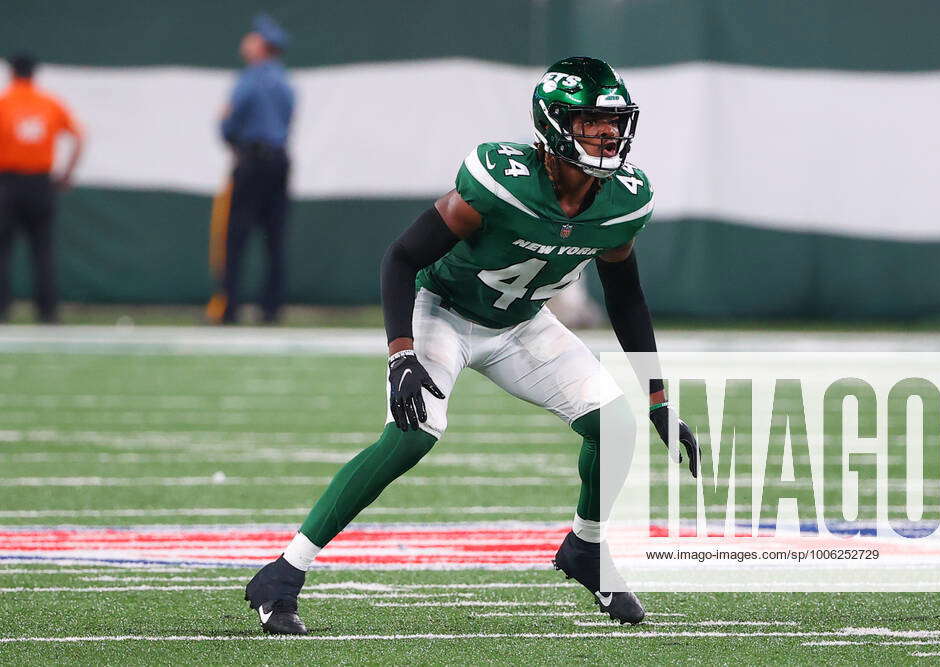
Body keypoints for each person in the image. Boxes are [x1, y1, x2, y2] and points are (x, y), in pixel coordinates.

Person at [243, 57, 700, 635]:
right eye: (591, 122)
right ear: (555, 125)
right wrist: (402, 352)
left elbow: (627, 299)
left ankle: (586, 548)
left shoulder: (622, 201)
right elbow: (401, 258)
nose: (608, 134)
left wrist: (658, 397)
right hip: (444, 312)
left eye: (613, 122)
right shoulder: (500, 180)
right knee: (411, 435)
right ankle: (283, 572)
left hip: (521, 324)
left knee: (616, 427)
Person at [206, 14, 295, 325]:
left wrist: (234, 142)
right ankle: (271, 309)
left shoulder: (249, 80)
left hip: (251, 163)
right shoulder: (286, 83)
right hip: (279, 163)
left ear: (262, 45)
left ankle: (228, 307)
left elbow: (228, 124)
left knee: (235, 237)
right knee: (275, 238)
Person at [0, 53, 84, 323]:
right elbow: (79, 137)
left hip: (8, 183)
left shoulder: (4, 103)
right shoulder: (49, 103)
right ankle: (47, 311)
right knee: (43, 250)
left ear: (12, 73)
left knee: (3, 249)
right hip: (40, 183)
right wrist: (66, 174)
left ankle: (2, 309)